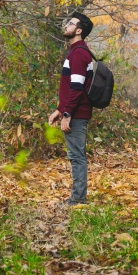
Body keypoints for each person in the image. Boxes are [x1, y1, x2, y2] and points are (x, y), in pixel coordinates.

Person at [48, 11, 94, 206]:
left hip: (77, 114)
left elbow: (76, 89)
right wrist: (60, 110)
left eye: (71, 23)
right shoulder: (77, 52)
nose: (66, 25)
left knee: (77, 157)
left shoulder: (79, 54)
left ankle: (78, 199)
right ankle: (77, 197)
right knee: (76, 155)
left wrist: (67, 114)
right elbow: (71, 88)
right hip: (73, 112)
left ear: (79, 30)